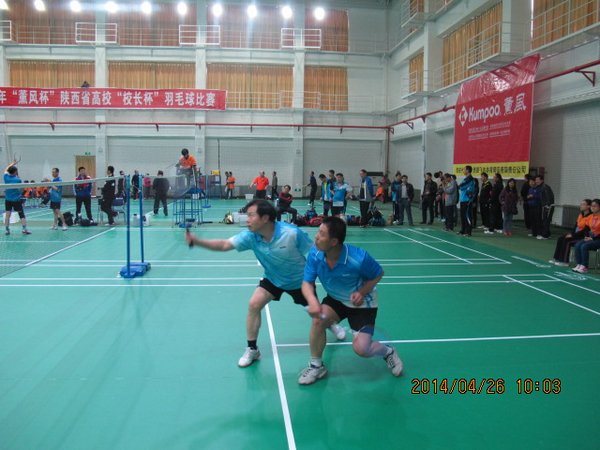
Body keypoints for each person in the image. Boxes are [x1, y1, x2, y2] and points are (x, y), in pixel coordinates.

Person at [184, 200, 346, 367]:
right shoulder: (250, 236)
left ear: (265, 218)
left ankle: (331, 323)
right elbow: (225, 244)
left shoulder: (291, 233)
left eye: (251, 215)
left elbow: (315, 252)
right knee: (254, 304)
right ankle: (252, 349)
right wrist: (197, 241)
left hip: (299, 281)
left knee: (316, 314)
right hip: (273, 278)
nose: (247, 219)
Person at [298, 216, 403, 385]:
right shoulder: (315, 254)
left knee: (361, 349)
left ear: (334, 241)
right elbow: (307, 283)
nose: (316, 237)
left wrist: (361, 292)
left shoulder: (359, 258)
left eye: (321, 234)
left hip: (362, 304)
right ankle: (317, 366)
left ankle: (388, 352)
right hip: (336, 299)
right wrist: (313, 301)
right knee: (318, 321)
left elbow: (378, 274)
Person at [550, 199, 592, 267]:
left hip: (582, 236)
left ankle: (564, 261)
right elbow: (576, 226)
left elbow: (585, 230)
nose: (581, 206)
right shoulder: (581, 214)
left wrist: (573, 235)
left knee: (567, 241)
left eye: (583, 204)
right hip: (576, 234)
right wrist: (571, 233)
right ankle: (556, 258)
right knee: (561, 238)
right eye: (581, 204)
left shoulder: (590, 216)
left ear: (588, 206)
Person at [3, 159, 32, 235]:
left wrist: (12, 163)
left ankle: (7, 230)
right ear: (15, 172)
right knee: (21, 215)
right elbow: (21, 189)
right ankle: (24, 229)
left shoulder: (5, 177)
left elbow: (6, 170)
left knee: (7, 215)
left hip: (8, 199)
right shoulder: (18, 180)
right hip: (16, 200)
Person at [572, 199, 600, 274]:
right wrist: (586, 237)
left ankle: (585, 266)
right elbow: (587, 229)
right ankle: (579, 264)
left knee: (584, 246)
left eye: (595, 206)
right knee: (578, 245)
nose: (593, 207)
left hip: (598, 239)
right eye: (592, 206)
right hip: (591, 237)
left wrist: (592, 238)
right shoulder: (590, 217)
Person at [458, 165, 475, 237]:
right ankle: (463, 230)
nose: (463, 171)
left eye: (464, 169)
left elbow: (461, 186)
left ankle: (468, 231)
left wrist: (461, 187)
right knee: (462, 215)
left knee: (467, 215)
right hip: (462, 199)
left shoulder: (470, 179)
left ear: (467, 170)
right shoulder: (465, 179)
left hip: (467, 200)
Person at [536, 175, 555, 240]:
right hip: (545, 205)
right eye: (536, 180)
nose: (536, 181)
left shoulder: (545, 187)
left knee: (546, 220)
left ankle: (545, 235)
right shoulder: (541, 187)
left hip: (548, 206)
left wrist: (548, 205)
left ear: (542, 180)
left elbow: (549, 196)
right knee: (545, 219)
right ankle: (547, 234)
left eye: (538, 180)